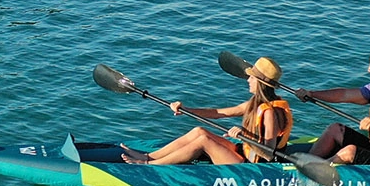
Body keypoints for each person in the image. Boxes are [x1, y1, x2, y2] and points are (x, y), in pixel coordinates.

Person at [122, 57, 293, 165]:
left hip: (254, 166)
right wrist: (186, 110)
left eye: (252, 78)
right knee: (199, 131)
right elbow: (219, 113)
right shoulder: (255, 103)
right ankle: (149, 156)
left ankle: (149, 165)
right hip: (246, 152)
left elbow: (268, 154)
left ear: (260, 83)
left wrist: (243, 136)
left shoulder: (270, 113)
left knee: (203, 141)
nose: (248, 80)